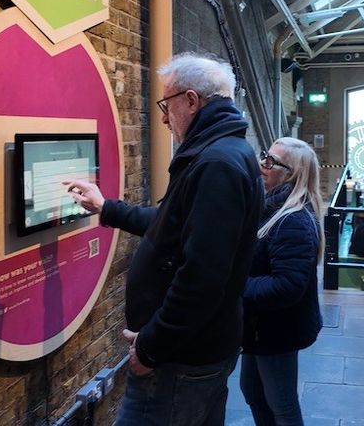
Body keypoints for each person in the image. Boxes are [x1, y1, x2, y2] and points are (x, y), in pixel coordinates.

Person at [65, 52, 264, 426]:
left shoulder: (215, 163)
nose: (162, 116)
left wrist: (152, 346)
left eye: (165, 103)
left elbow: (202, 277)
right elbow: (177, 225)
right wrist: (107, 207)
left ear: (190, 100)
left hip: (180, 358)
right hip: (202, 348)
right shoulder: (225, 152)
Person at [240, 137, 324, 426]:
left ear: (292, 173)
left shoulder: (293, 221)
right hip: (260, 327)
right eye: (266, 157)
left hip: (277, 330)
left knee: (282, 405)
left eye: (272, 162)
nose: (263, 165)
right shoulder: (270, 208)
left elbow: (287, 286)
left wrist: (234, 288)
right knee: (252, 391)